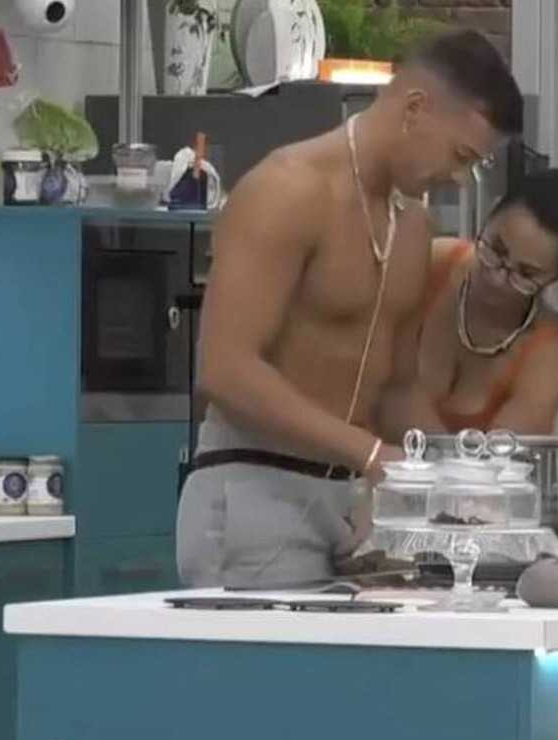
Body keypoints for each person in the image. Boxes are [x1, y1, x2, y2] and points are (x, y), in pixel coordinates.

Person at [176, 30, 523, 588]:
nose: (459, 179)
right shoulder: (287, 189)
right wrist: (372, 455)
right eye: (461, 156)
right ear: (414, 108)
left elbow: (397, 388)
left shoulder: (413, 225)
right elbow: (225, 370)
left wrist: (462, 471)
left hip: (352, 501)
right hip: (255, 487)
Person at [410, 153, 558, 439]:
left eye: (526, 275)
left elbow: (502, 458)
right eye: (495, 249)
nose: (497, 278)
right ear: (489, 215)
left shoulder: (548, 348)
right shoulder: (430, 264)